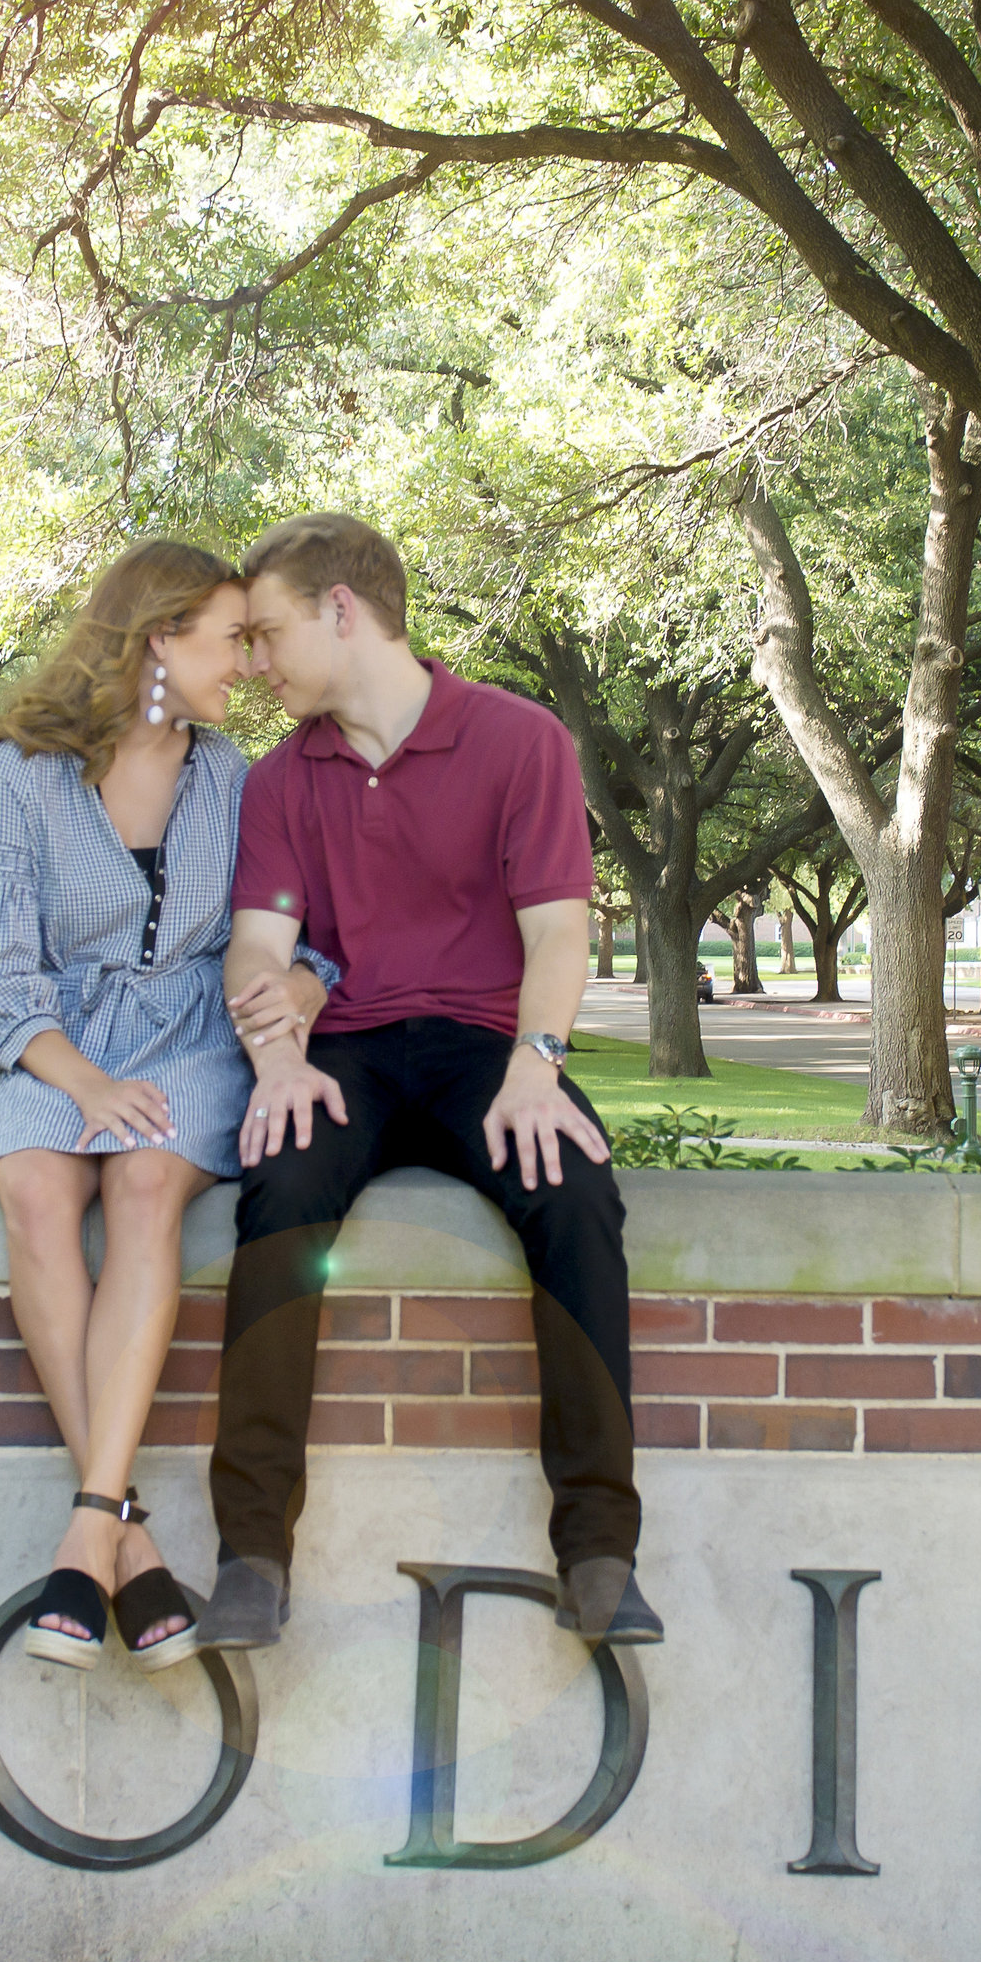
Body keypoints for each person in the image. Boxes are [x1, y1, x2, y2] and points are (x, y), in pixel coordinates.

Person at [202, 513, 657, 1653]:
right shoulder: (281, 779)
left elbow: (558, 933)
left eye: (266, 633)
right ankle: (250, 1554)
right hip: (345, 1049)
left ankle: (599, 1551)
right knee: (279, 1180)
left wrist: (535, 1069)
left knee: (575, 1192)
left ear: (341, 610)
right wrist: (277, 1062)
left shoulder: (519, 739)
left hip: (485, 1051)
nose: (254, 662)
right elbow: (259, 949)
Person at [0, 540, 332, 1672]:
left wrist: (298, 986)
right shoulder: (19, 771)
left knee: (146, 1184)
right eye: (230, 638)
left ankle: (87, 1523)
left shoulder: (239, 780)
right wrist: (85, 1081)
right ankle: (130, 1537)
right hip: (42, 1043)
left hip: (189, 1040)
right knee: (39, 1186)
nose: (247, 663)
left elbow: (306, 934)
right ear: (161, 638)